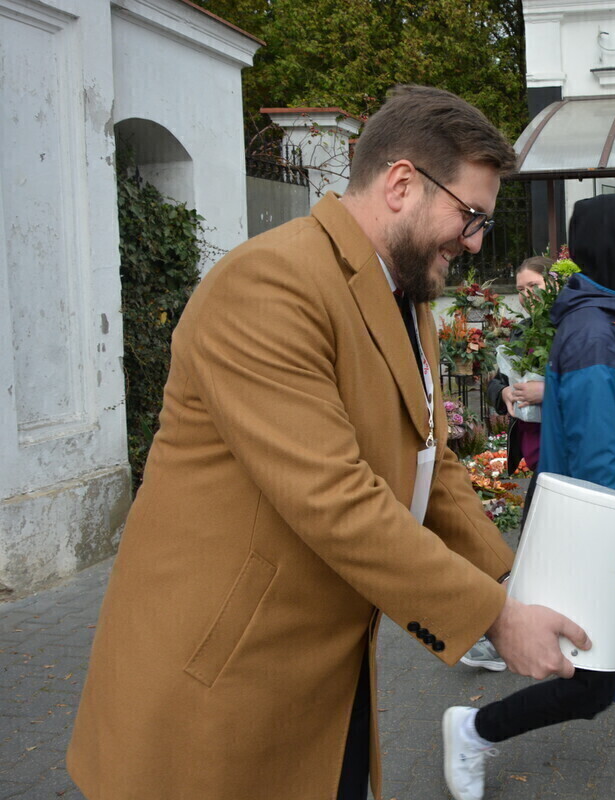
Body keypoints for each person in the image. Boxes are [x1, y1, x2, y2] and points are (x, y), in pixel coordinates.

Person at [67, 85, 588, 800]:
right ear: (402, 182)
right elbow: (336, 499)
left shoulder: (408, 300)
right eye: (470, 216)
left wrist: (522, 588)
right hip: (219, 694)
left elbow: (432, 475)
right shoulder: (270, 282)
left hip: (323, 686)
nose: (473, 243)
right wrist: (496, 619)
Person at [442, 193, 615, 800]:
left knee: (603, 679)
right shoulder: (592, 333)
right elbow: (595, 464)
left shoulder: (603, 322)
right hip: (614, 534)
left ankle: (477, 730)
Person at [461, 255, 551, 672]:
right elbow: (495, 379)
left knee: (533, 549)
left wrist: (547, 391)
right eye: (522, 289)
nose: (527, 295)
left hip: (560, 454)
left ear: (553, 284)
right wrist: (505, 394)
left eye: (533, 286)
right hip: (537, 453)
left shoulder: (563, 331)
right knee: (541, 546)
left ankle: (501, 638)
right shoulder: (518, 333)